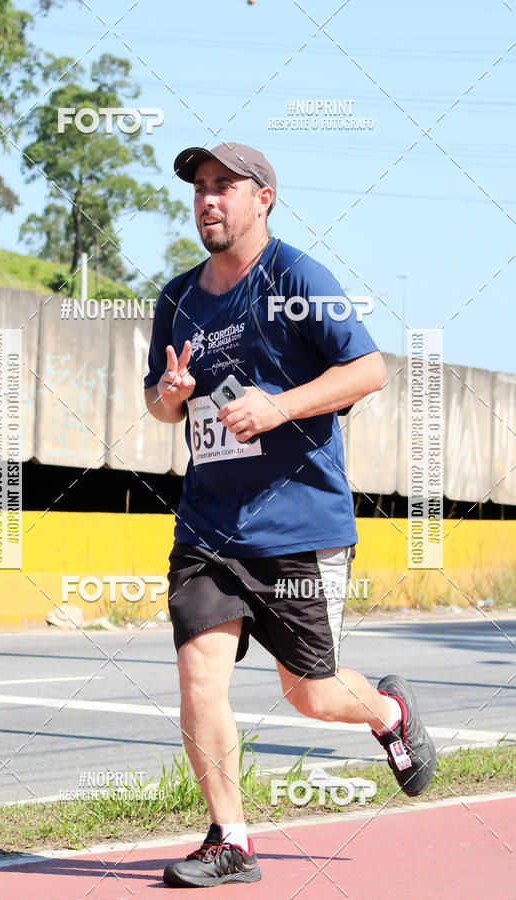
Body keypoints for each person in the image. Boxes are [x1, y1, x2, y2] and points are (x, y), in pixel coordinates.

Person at [144, 142, 436, 889]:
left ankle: (388, 713)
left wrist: (279, 407)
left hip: (298, 526)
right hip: (208, 527)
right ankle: (231, 841)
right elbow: (158, 402)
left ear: (263, 198)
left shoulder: (297, 278)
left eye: (224, 186)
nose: (209, 200)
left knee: (310, 693)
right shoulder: (177, 298)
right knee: (199, 676)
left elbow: (368, 368)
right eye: (200, 188)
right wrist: (169, 398)